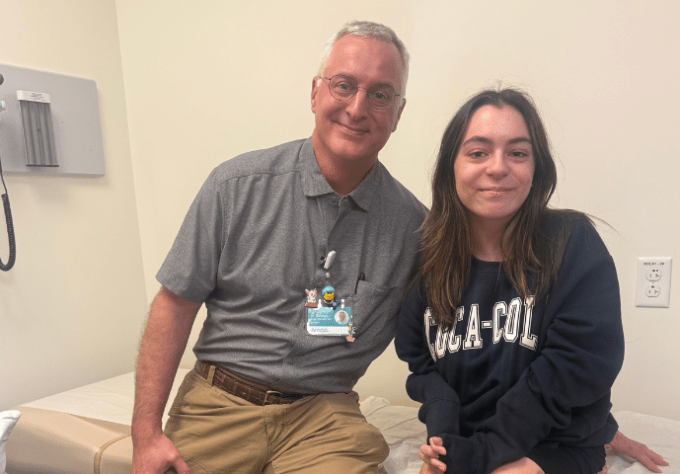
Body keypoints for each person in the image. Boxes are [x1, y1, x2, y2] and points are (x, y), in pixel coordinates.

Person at [131, 21, 428, 474]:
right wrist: (146, 434)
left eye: (380, 94)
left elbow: (444, 339)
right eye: (343, 85)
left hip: (323, 419)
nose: (357, 107)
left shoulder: (415, 229)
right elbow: (173, 306)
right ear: (315, 93)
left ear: (399, 112)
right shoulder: (234, 187)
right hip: (218, 404)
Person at [395, 88, 668, 474]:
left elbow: (573, 369)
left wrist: (477, 458)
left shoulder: (572, 242)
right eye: (478, 152)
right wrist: (442, 441)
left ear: (536, 167)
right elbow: (422, 367)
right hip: (468, 444)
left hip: (554, 446)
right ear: (450, 167)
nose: (497, 167)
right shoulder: (427, 257)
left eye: (518, 152)